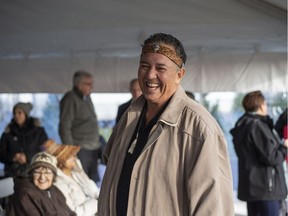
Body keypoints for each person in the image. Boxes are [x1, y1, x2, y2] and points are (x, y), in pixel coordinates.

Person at [98, 33, 234, 215]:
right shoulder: (129, 116)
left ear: (179, 75)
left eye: (160, 68)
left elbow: (212, 206)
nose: (150, 75)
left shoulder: (199, 128)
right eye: (144, 66)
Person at [230, 90, 288, 216]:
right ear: (261, 105)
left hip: (253, 189)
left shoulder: (242, 125)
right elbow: (271, 157)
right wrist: (284, 147)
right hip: (267, 190)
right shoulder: (257, 126)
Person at [59, 70, 101, 184]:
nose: (91, 87)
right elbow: (64, 126)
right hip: (80, 149)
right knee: (81, 182)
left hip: (93, 148)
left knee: (92, 183)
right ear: (78, 84)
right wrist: (71, 152)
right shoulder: (70, 98)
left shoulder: (87, 97)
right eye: (88, 84)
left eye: (92, 84)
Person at [6, 152, 76, 216]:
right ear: (31, 174)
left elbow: (69, 212)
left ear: (53, 176)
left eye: (47, 172)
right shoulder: (25, 194)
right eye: (37, 172)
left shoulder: (54, 190)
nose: (42, 177)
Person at [42, 139, 99, 216]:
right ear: (61, 161)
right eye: (70, 157)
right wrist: (96, 203)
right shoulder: (58, 183)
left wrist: (81, 172)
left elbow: (95, 192)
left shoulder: (76, 174)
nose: (74, 159)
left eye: (74, 156)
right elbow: (74, 212)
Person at [0, 102, 48, 177]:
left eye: (19, 113)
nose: (16, 115)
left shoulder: (38, 132)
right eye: (14, 113)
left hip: (34, 173)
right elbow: (1, 154)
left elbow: (44, 149)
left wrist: (28, 157)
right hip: (12, 175)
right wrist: (14, 157)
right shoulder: (7, 133)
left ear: (26, 114)